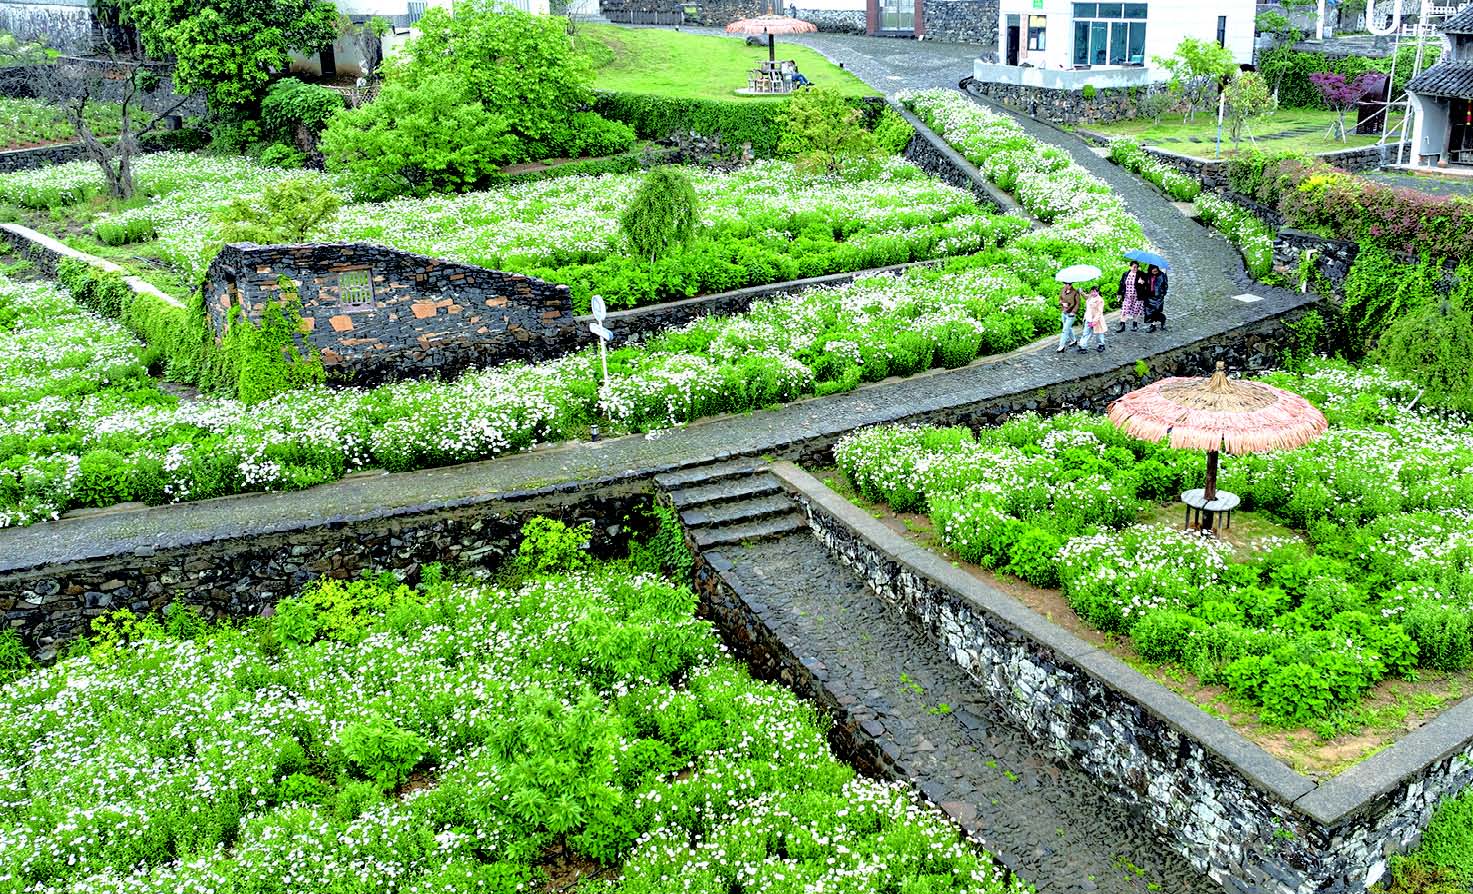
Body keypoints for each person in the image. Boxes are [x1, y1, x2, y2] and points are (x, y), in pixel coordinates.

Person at [1116, 260, 1150, 332]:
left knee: (1136, 310)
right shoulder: (1125, 274)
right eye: (1134, 267)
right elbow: (1121, 284)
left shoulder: (1141, 274)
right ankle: (1122, 325)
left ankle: (1135, 325)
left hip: (1138, 296)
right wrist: (1119, 293)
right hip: (1127, 296)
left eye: (1137, 267)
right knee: (1124, 310)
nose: (1135, 268)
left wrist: (1143, 282)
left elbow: (1147, 282)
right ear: (1130, 267)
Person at [1078, 286, 1107, 353]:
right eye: (1092, 291)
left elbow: (1099, 312)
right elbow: (1085, 296)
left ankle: (1101, 345)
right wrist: (1081, 292)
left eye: (1095, 292)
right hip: (1088, 318)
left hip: (1096, 320)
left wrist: (1095, 321)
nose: (1093, 293)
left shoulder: (1100, 300)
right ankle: (1083, 346)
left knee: (1099, 333)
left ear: (1098, 292)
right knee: (1086, 333)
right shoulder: (1090, 297)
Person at [1056, 283, 1080, 354]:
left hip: (1071, 314)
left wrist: (1073, 312)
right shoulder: (1063, 290)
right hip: (1064, 312)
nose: (1066, 285)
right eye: (1065, 284)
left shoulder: (1075, 292)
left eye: (1067, 284)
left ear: (1070, 284)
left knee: (1065, 330)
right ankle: (1074, 340)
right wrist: (1062, 303)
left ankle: (1061, 346)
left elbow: (1077, 304)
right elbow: (1060, 299)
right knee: (1068, 328)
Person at [1145, 264, 1168, 332]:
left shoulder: (1162, 275)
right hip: (1149, 297)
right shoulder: (1147, 276)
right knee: (1150, 312)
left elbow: (1165, 285)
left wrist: (1162, 294)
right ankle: (1153, 325)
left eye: (1156, 270)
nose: (1155, 271)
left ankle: (1162, 320)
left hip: (1158, 297)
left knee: (1157, 311)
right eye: (1153, 270)